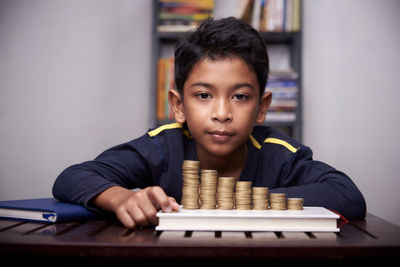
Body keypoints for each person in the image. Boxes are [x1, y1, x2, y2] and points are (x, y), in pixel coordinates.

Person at [53, 17, 366, 229]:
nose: (221, 113)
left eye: (240, 97)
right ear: (178, 105)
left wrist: (249, 203)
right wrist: (121, 197)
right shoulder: (163, 145)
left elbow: (348, 195)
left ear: (262, 108)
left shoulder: (277, 153)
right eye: (203, 96)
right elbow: (72, 177)